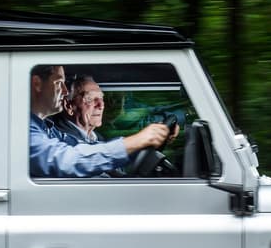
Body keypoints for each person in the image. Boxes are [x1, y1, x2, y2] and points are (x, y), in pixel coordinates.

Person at [28, 64, 169, 178]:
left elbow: (83, 146)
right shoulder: (24, 130)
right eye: (59, 83)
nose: (64, 92)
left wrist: (145, 143)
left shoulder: (47, 128)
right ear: (37, 83)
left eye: (101, 98)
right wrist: (135, 142)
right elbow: (67, 161)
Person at [53, 75, 105, 145]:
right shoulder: (60, 141)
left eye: (101, 98)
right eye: (90, 98)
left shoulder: (97, 138)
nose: (101, 105)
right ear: (68, 106)